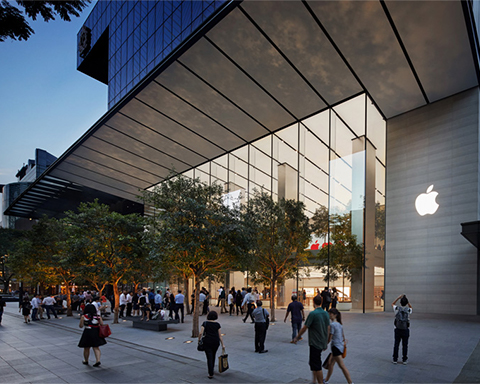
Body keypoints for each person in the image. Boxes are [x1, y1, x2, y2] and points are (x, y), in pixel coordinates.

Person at [294, 295, 330, 384]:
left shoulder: (313, 314)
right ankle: (314, 380)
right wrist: (326, 341)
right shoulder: (325, 313)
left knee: (316, 364)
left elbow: (305, 327)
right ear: (321, 302)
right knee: (313, 362)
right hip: (321, 341)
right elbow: (328, 327)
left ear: (313, 303)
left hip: (315, 342)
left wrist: (297, 336)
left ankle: (320, 382)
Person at [324, 308, 353, 384]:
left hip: (336, 347)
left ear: (334, 315)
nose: (329, 315)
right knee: (330, 363)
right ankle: (326, 380)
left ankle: (350, 382)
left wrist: (325, 345)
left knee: (341, 365)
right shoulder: (339, 324)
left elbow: (329, 337)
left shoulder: (332, 325)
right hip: (339, 346)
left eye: (330, 314)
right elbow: (342, 336)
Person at [198, 311, 225, 379]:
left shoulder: (205, 323)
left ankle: (210, 373)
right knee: (213, 355)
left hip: (207, 341)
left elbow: (201, 333)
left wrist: (199, 340)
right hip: (216, 342)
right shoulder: (217, 324)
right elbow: (220, 336)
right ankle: (212, 368)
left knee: (209, 357)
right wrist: (223, 344)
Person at [392, 294, 412, 365]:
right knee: (405, 345)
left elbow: (393, 304)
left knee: (396, 344)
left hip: (398, 329)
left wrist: (398, 297)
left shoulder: (397, 309)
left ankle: (395, 359)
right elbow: (411, 307)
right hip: (405, 329)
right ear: (406, 303)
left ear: (400, 303)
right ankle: (404, 359)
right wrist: (407, 301)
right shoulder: (408, 310)